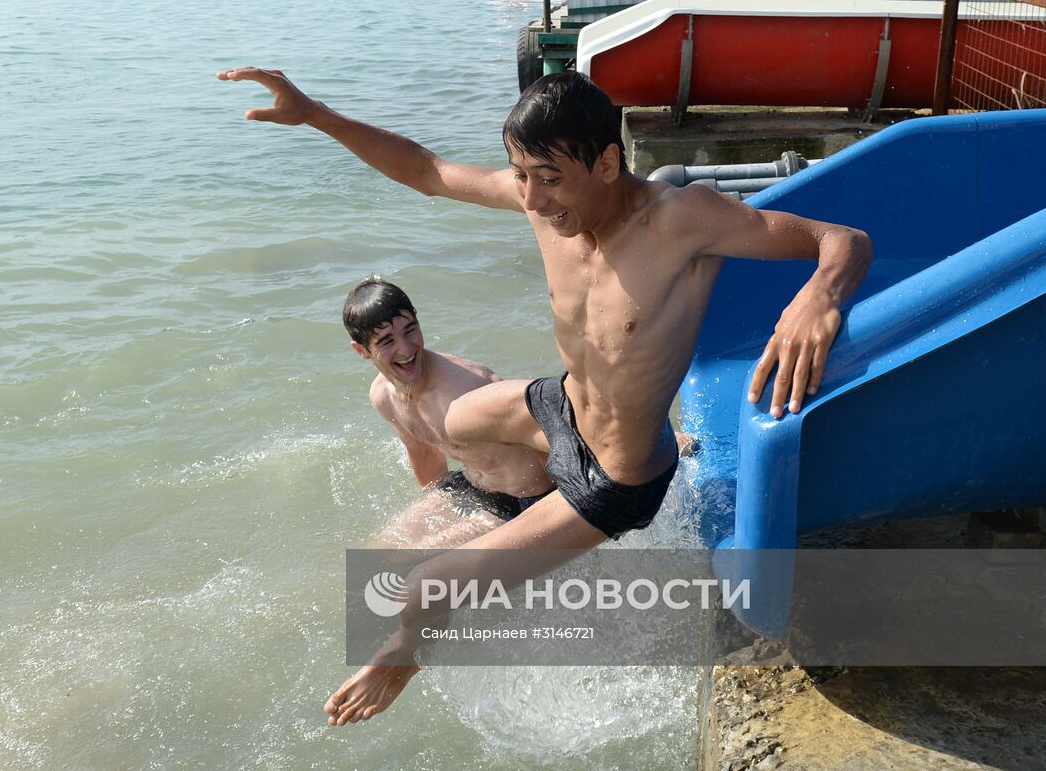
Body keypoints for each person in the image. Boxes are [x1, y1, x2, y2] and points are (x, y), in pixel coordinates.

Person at [217, 66, 872, 726]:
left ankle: (408, 655)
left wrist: (817, 297)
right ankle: (517, 512)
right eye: (521, 174)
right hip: (559, 407)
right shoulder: (548, 210)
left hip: (615, 475)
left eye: (549, 177)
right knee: (456, 416)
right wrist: (318, 114)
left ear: (609, 161)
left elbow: (842, 240)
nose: (531, 197)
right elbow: (425, 168)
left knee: (417, 593)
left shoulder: (682, 220)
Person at [342, 276, 555, 548]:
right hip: (470, 485)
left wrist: (562, 519)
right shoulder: (383, 396)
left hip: (525, 501)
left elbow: (549, 436)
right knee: (377, 551)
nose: (406, 349)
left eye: (410, 330)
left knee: (418, 560)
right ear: (361, 350)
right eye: (386, 341)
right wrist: (437, 512)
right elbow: (423, 453)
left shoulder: (467, 389)